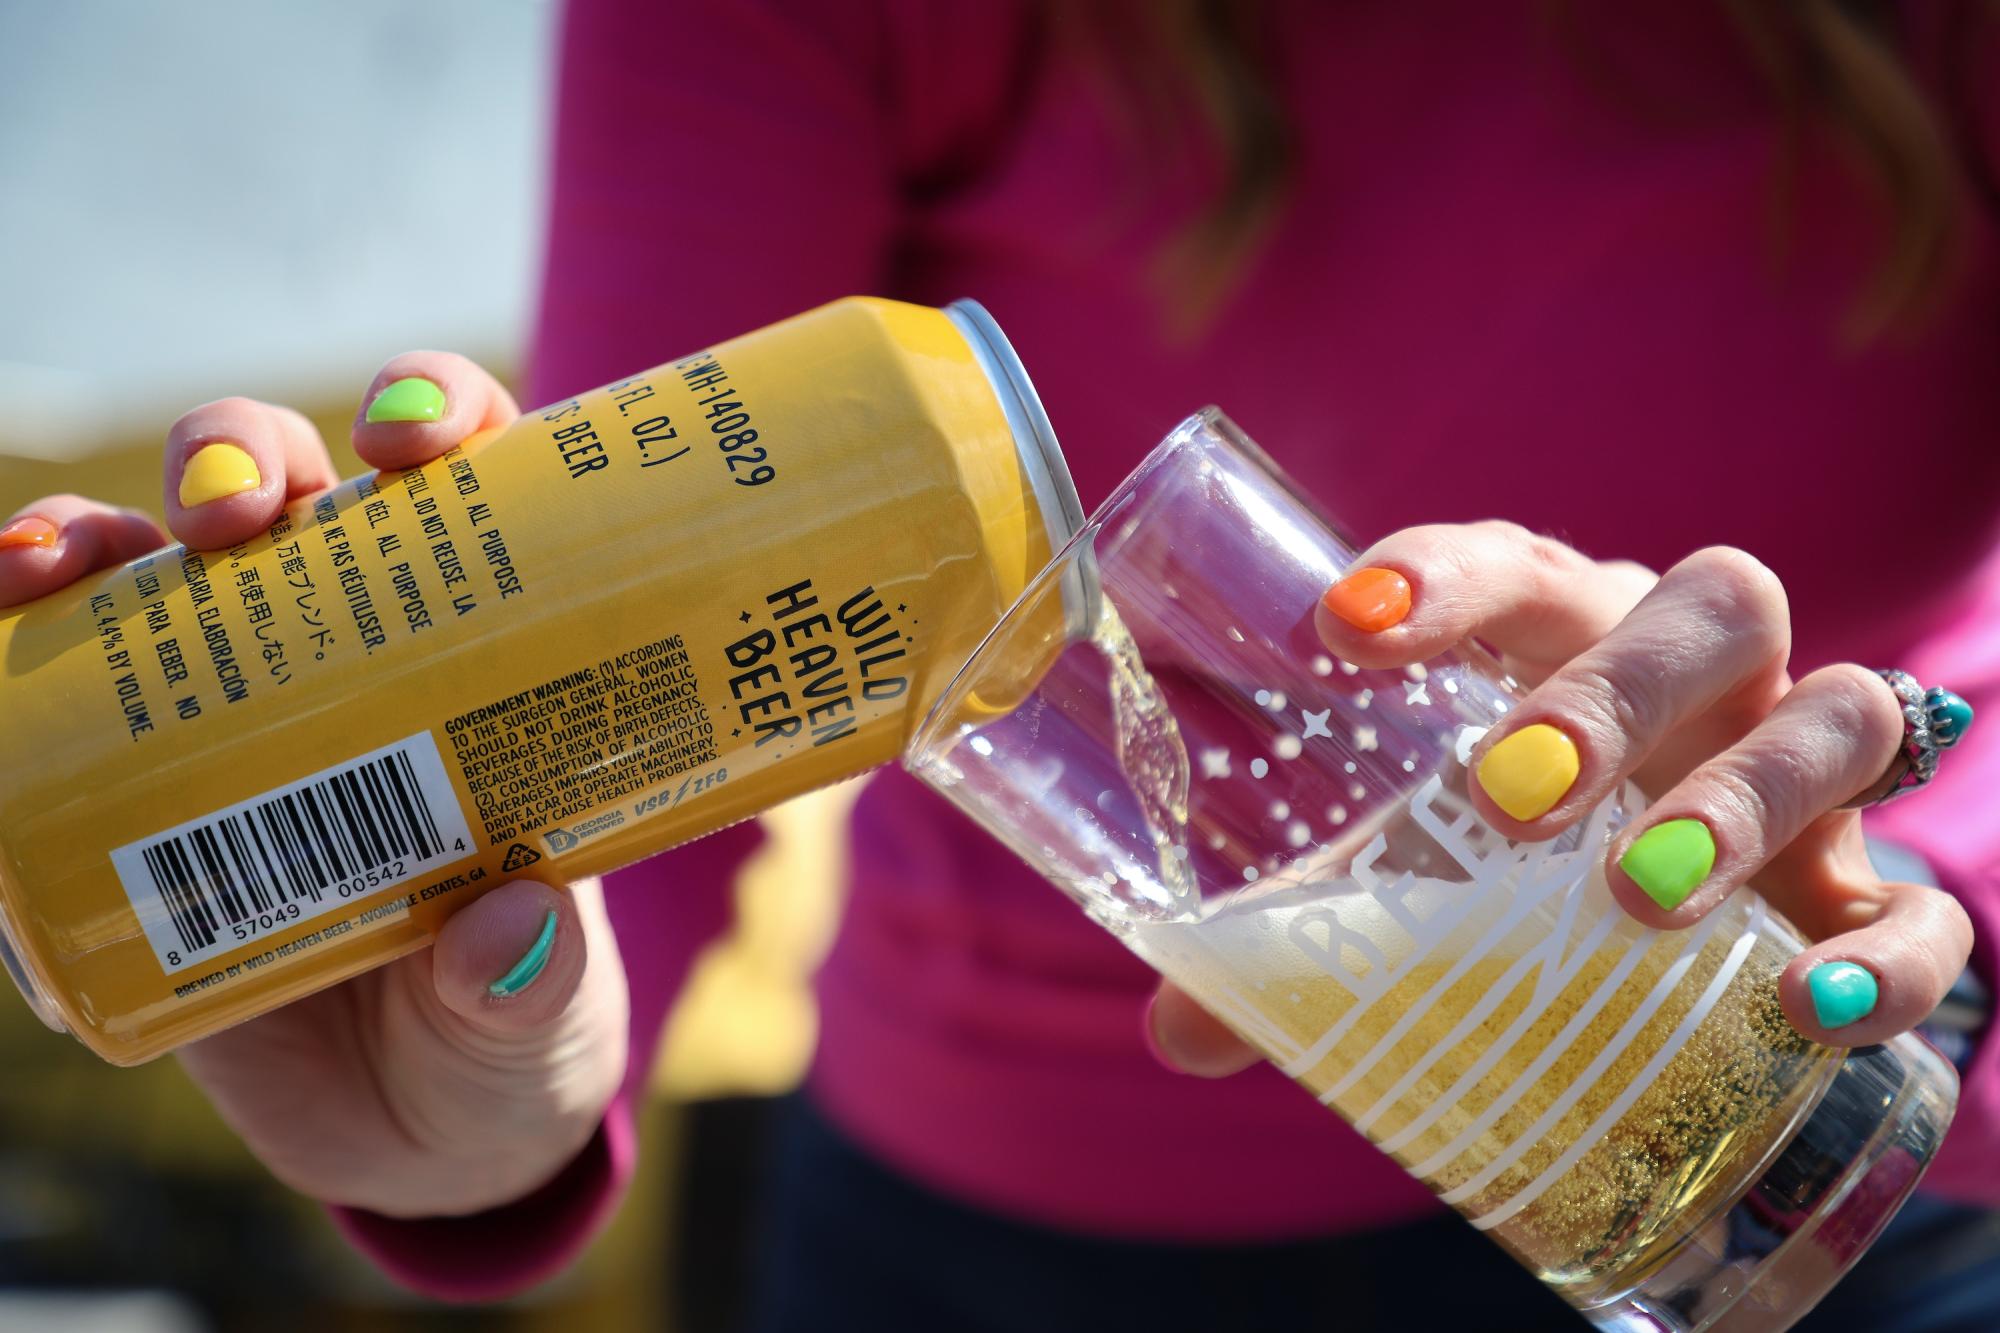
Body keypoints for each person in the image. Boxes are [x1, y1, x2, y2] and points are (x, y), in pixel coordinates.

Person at [4, 1, 1997, 1327]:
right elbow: (648, 677)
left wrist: (1918, 874)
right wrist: (487, 1083)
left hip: (1828, 1136)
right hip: (1005, 1248)